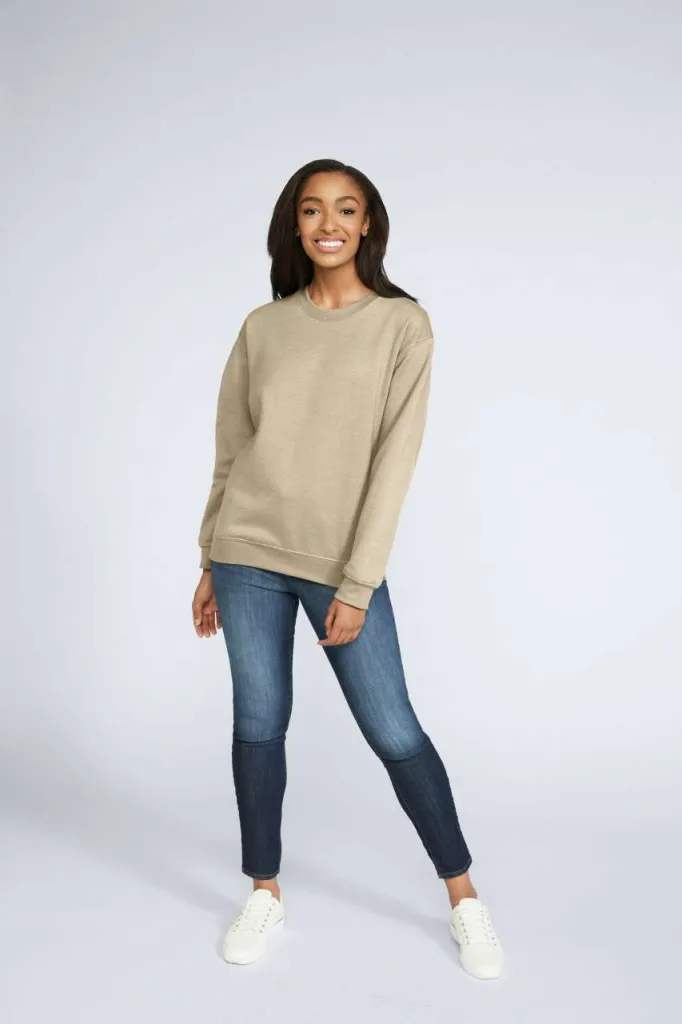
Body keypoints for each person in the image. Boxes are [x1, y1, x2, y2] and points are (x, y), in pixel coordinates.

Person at [191, 158, 504, 980]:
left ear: (368, 225)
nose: (328, 223)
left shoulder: (403, 325)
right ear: (294, 226)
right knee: (258, 723)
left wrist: (357, 584)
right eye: (311, 209)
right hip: (245, 555)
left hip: (339, 564)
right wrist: (208, 557)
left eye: (346, 209)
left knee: (394, 730)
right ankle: (264, 891)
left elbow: (395, 461)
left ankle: (465, 898)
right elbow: (231, 449)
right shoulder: (264, 327)